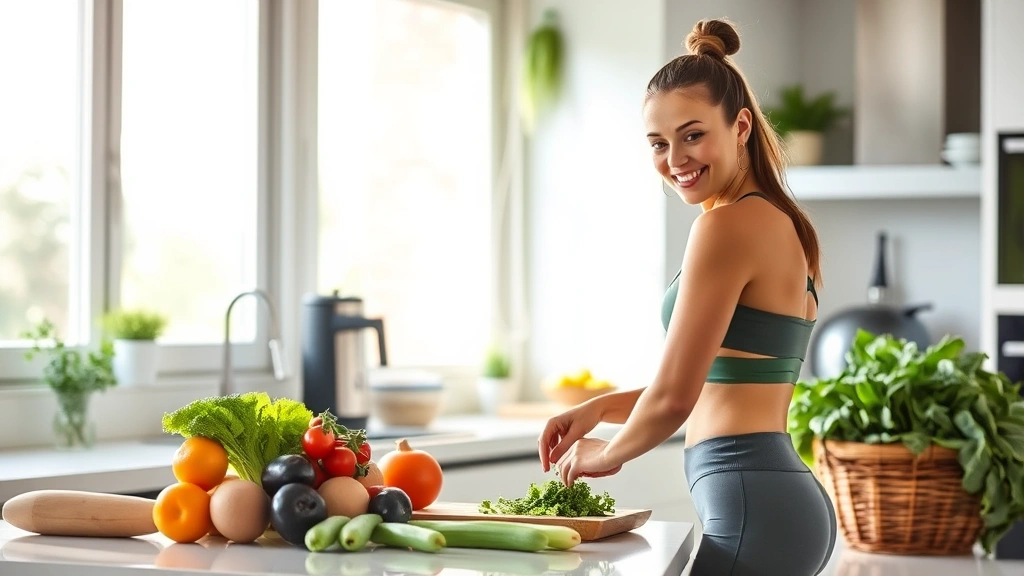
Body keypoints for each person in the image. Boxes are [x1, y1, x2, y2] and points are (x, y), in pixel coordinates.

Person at [536, 18, 838, 576]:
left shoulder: (725, 227)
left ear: (740, 125)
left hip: (750, 499)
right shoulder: (786, 227)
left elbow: (678, 397)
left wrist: (607, 452)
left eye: (693, 134)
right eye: (658, 143)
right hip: (782, 497)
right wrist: (600, 407)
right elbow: (722, 377)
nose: (675, 158)